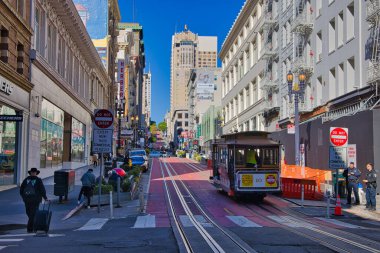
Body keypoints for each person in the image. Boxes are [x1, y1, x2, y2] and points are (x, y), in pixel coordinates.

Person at [19, 168, 48, 233]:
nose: (33, 173)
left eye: (34, 172)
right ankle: (33, 226)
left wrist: (24, 197)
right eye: (33, 172)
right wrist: (45, 198)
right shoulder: (38, 180)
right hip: (34, 200)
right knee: (31, 214)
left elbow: (21, 190)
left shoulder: (26, 180)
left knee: (30, 213)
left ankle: (30, 228)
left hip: (29, 200)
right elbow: (42, 190)